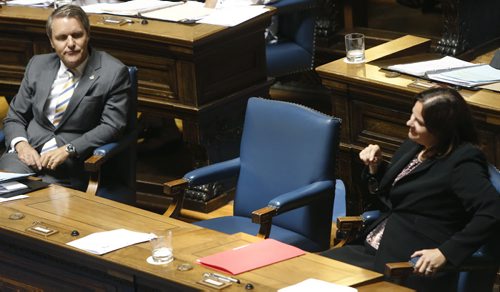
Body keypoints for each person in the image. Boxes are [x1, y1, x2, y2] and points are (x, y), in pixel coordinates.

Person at [322, 88, 500, 291]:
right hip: (374, 246)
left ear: (442, 129)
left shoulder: (463, 161)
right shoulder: (416, 145)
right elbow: (400, 197)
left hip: (406, 264)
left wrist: (446, 253)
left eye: (419, 122)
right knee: (308, 272)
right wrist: (376, 167)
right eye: (412, 116)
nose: (409, 123)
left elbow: (492, 211)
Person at [0, 5, 131, 191]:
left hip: (69, 166)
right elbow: (15, 116)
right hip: (25, 158)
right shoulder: (37, 65)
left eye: (76, 35)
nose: (70, 43)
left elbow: (112, 126)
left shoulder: (113, 72)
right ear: (52, 42)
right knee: (5, 203)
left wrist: (68, 149)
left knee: (45, 211)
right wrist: (22, 146)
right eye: (61, 38)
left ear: (88, 34)